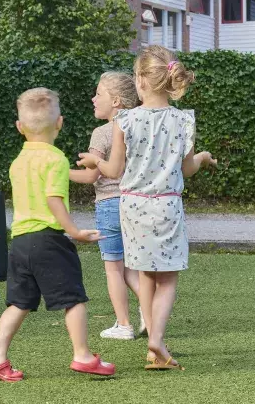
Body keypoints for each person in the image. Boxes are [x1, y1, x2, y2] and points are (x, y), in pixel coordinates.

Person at [80, 46, 216, 371]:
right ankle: (156, 339)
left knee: (146, 274)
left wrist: (94, 160)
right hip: (167, 205)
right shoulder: (184, 120)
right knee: (167, 279)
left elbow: (112, 172)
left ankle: (155, 348)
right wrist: (202, 158)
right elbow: (185, 169)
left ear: (140, 80)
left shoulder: (125, 119)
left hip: (132, 207)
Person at [0, 88, 115, 382]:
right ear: (60, 123)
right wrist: (75, 231)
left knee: (20, 303)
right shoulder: (55, 159)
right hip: (48, 240)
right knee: (74, 298)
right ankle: (83, 355)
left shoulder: (18, 163)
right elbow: (53, 199)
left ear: (19, 127)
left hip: (21, 243)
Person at [69, 71, 145, 341]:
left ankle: (124, 324)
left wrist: (57, 173)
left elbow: (92, 176)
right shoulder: (139, 126)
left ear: (115, 101)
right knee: (133, 267)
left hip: (110, 204)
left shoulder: (102, 133)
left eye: (98, 93)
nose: (93, 98)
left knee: (114, 267)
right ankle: (148, 312)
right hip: (137, 204)